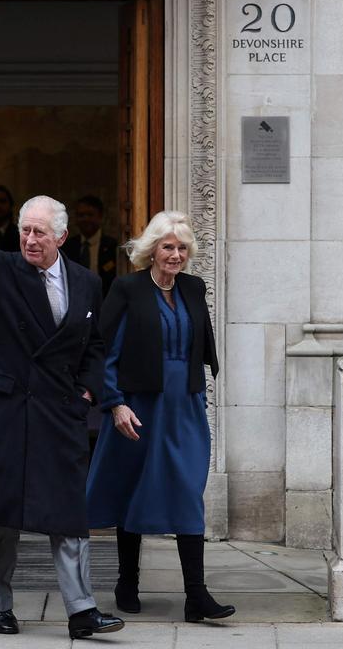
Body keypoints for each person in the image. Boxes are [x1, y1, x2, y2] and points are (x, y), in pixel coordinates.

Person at [0, 170, 124, 640]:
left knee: (69, 510)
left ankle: (82, 610)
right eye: (25, 231)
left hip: (60, 409)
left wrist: (89, 392)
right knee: (4, 512)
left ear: (62, 236)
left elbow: (96, 345)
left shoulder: (87, 282)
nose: (31, 240)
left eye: (39, 232)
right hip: (8, 407)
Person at [85, 210, 234, 623]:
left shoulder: (193, 288)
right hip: (138, 405)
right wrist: (114, 403)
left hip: (183, 405)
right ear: (151, 250)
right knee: (131, 488)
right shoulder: (127, 289)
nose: (175, 255)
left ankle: (196, 595)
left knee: (188, 491)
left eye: (182, 248)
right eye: (168, 246)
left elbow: (196, 347)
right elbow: (105, 351)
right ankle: (127, 580)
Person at [61, 195, 119, 296]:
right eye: (81, 215)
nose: (85, 219)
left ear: (100, 217)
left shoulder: (113, 246)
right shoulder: (68, 247)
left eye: (90, 214)